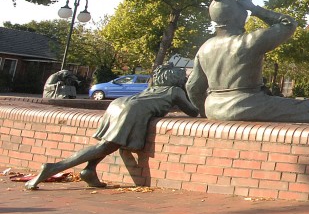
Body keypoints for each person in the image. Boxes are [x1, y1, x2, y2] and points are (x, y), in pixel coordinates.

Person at [27, 65, 199, 189]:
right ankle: (53, 168)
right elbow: (193, 112)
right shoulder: (174, 91)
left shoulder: (154, 88)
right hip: (132, 111)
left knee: (105, 144)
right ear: (176, 79)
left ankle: (90, 170)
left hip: (119, 104)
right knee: (105, 146)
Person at [187, 0, 309, 124]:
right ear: (239, 17)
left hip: (213, 108)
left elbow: (193, 88)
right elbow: (288, 24)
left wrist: (206, 112)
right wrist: (254, 8)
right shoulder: (249, 41)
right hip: (247, 105)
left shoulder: (204, 48)